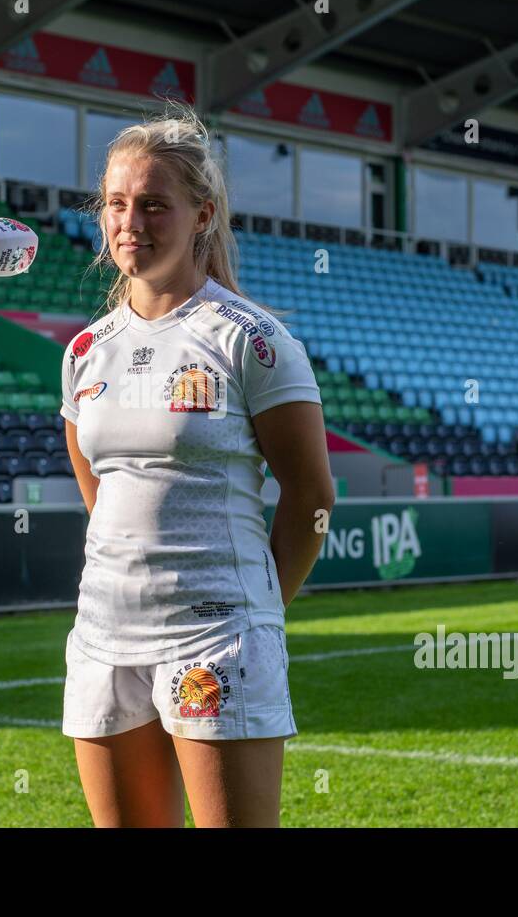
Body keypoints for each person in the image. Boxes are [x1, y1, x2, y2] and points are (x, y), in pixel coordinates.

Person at [58, 101, 335, 827]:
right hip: (102, 634)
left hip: (217, 636)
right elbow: (99, 492)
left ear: (202, 214)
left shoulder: (252, 340)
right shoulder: (85, 352)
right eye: (116, 204)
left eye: (154, 204)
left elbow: (312, 496)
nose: (131, 223)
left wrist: (259, 607)